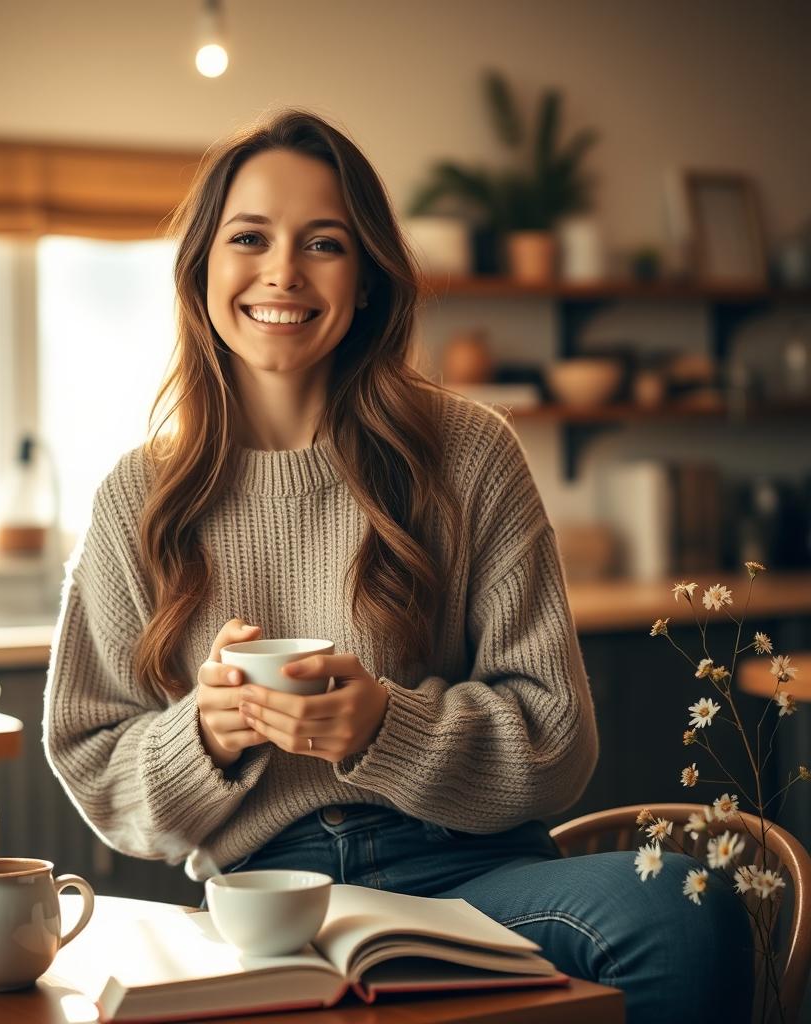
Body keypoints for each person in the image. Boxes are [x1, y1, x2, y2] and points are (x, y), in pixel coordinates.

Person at [43, 108, 752, 1023]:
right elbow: (92, 759)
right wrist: (205, 733)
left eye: (324, 243)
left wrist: (383, 723)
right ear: (203, 269)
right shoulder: (135, 497)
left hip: (474, 878)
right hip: (264, 899)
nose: (283, 272)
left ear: (369, 279)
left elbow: (558, 740)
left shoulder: (469, 455)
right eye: (249, 237)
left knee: (686, 909)